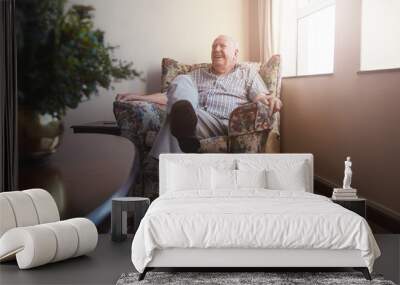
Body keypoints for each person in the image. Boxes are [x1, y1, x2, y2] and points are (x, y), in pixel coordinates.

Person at [117, 35, 282, 159]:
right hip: (197, 119)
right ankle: (186, 131)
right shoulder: (197, 75)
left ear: (235, 53)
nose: (216, 49)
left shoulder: (247, 73)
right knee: (181, 85)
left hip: (227, 124)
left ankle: (167, 173)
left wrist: (271, 100)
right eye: (213, 46)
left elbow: (261, 98)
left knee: (174, 117)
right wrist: (140, 97)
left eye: (222, 46)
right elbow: (169, 96)